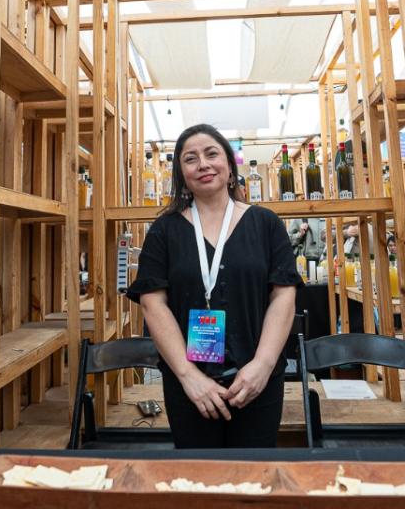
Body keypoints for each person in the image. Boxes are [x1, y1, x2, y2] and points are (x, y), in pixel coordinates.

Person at [127, 124, 301, 448]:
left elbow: (283, 296)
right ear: (182, 174)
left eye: (211, 154)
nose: (203, 164)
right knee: (197, 472)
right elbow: (153, 304)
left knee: (255, 472)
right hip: (189, 388)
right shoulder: (163, 231)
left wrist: (262, 365)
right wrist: (188, 375)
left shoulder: (266, 224)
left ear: (230, 167)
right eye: (190, 159)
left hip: (258, 383)